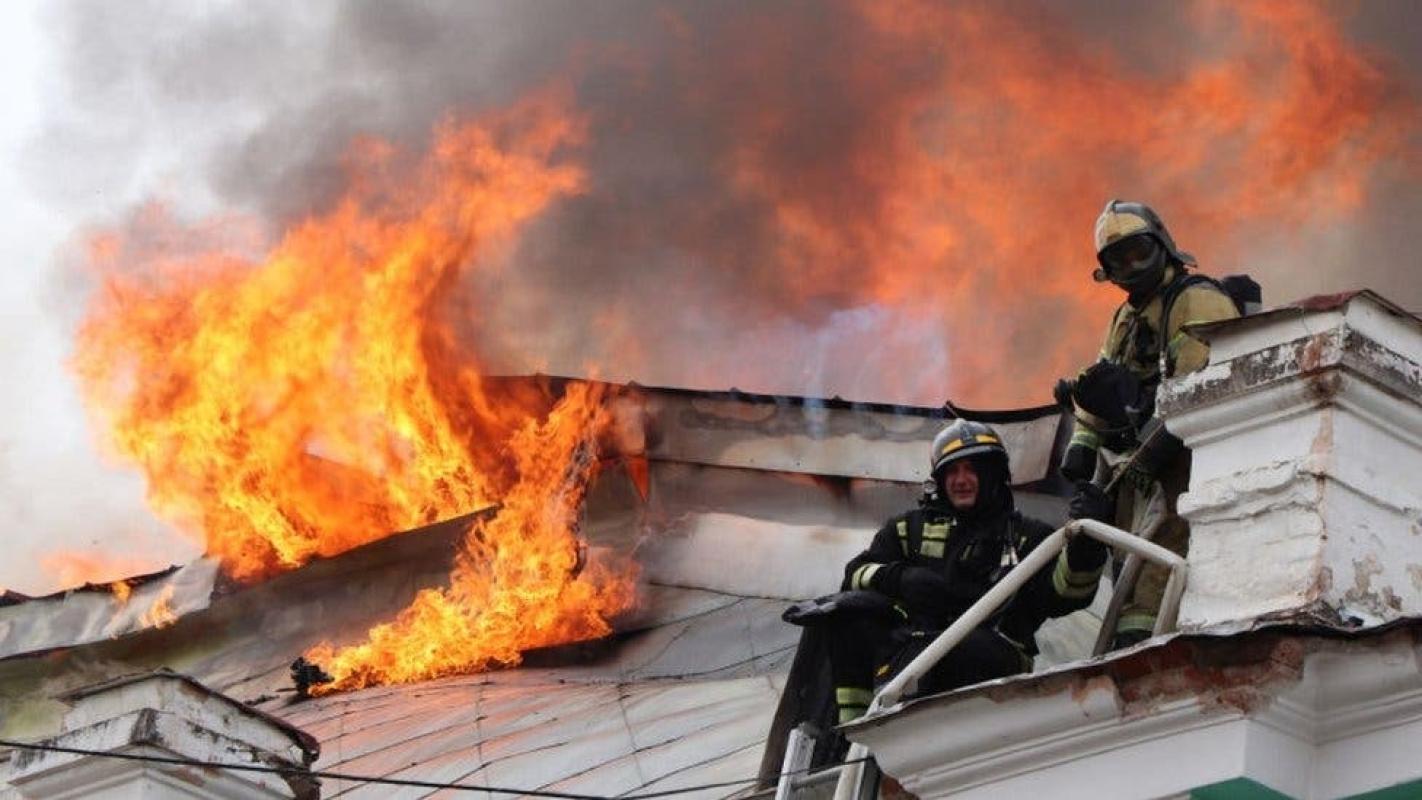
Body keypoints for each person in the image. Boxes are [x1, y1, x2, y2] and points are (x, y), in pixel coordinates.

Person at [787, 419, 1112, 725]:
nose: (961, 480)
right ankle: (856, 731)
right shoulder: (907, 529)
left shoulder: (1028, 537)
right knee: (847, 614)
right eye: (952, 471)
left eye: (971, 469)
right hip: (909, 649)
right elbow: (856, 574)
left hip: (992, 655)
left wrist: (1086, 545)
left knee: (956, 651)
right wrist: (900, 579)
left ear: (993, 474)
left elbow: (1068, 595)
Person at [1058, 199, 1240, 646]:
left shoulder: (1196, 298)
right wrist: (1082, 439)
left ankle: (1142, 652)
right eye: (1117, 261)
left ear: (1162, 244)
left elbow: (1201, 391)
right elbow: (1104, 380)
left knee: (1158, 569)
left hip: (1181, 466)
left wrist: (1142, 426)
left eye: (1139, 252)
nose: (1131, 267)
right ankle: (1130, 652)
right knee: (1129, 570)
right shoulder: (1124, 318)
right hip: (1137, 471)